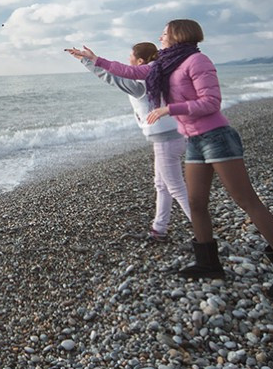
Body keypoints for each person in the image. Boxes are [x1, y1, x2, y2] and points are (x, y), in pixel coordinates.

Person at [69, 19, 273, 302]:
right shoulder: (165, 64)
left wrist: (168, 109)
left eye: (164, 34)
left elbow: (211, 102)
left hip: (216, 137)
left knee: (246, 199)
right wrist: (94, 59)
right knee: (196, 203)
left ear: (178, 36)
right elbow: (131, 71)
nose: (160, 38)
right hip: (194, 140)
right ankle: (208, 264)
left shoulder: (198, 61)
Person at [65, 42, 192, 242]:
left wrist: (85, 60)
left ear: (140, 61)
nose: (128, 60)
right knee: (161, 184)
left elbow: (111, 77)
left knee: (175, 187)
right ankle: (159, 229)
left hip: (165, 138)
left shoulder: (141, 84)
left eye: (130, 57)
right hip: (173, 134)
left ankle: (205, 233)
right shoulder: (159, 72)